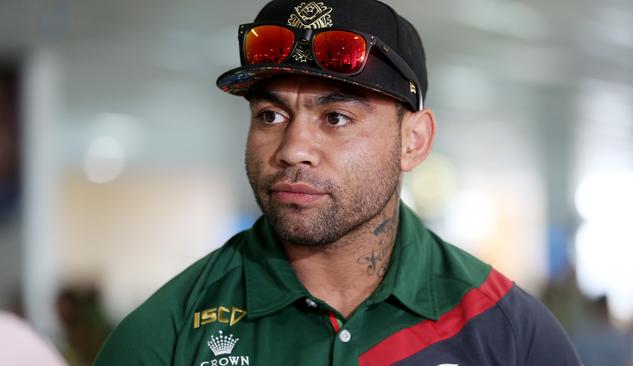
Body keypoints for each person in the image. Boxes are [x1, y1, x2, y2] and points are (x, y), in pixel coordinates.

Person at [95, 0, 582, 365]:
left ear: (413, 141)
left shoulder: (506, 330)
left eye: (336, 117)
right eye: (270, 114)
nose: (292, 148)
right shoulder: (168, 334)